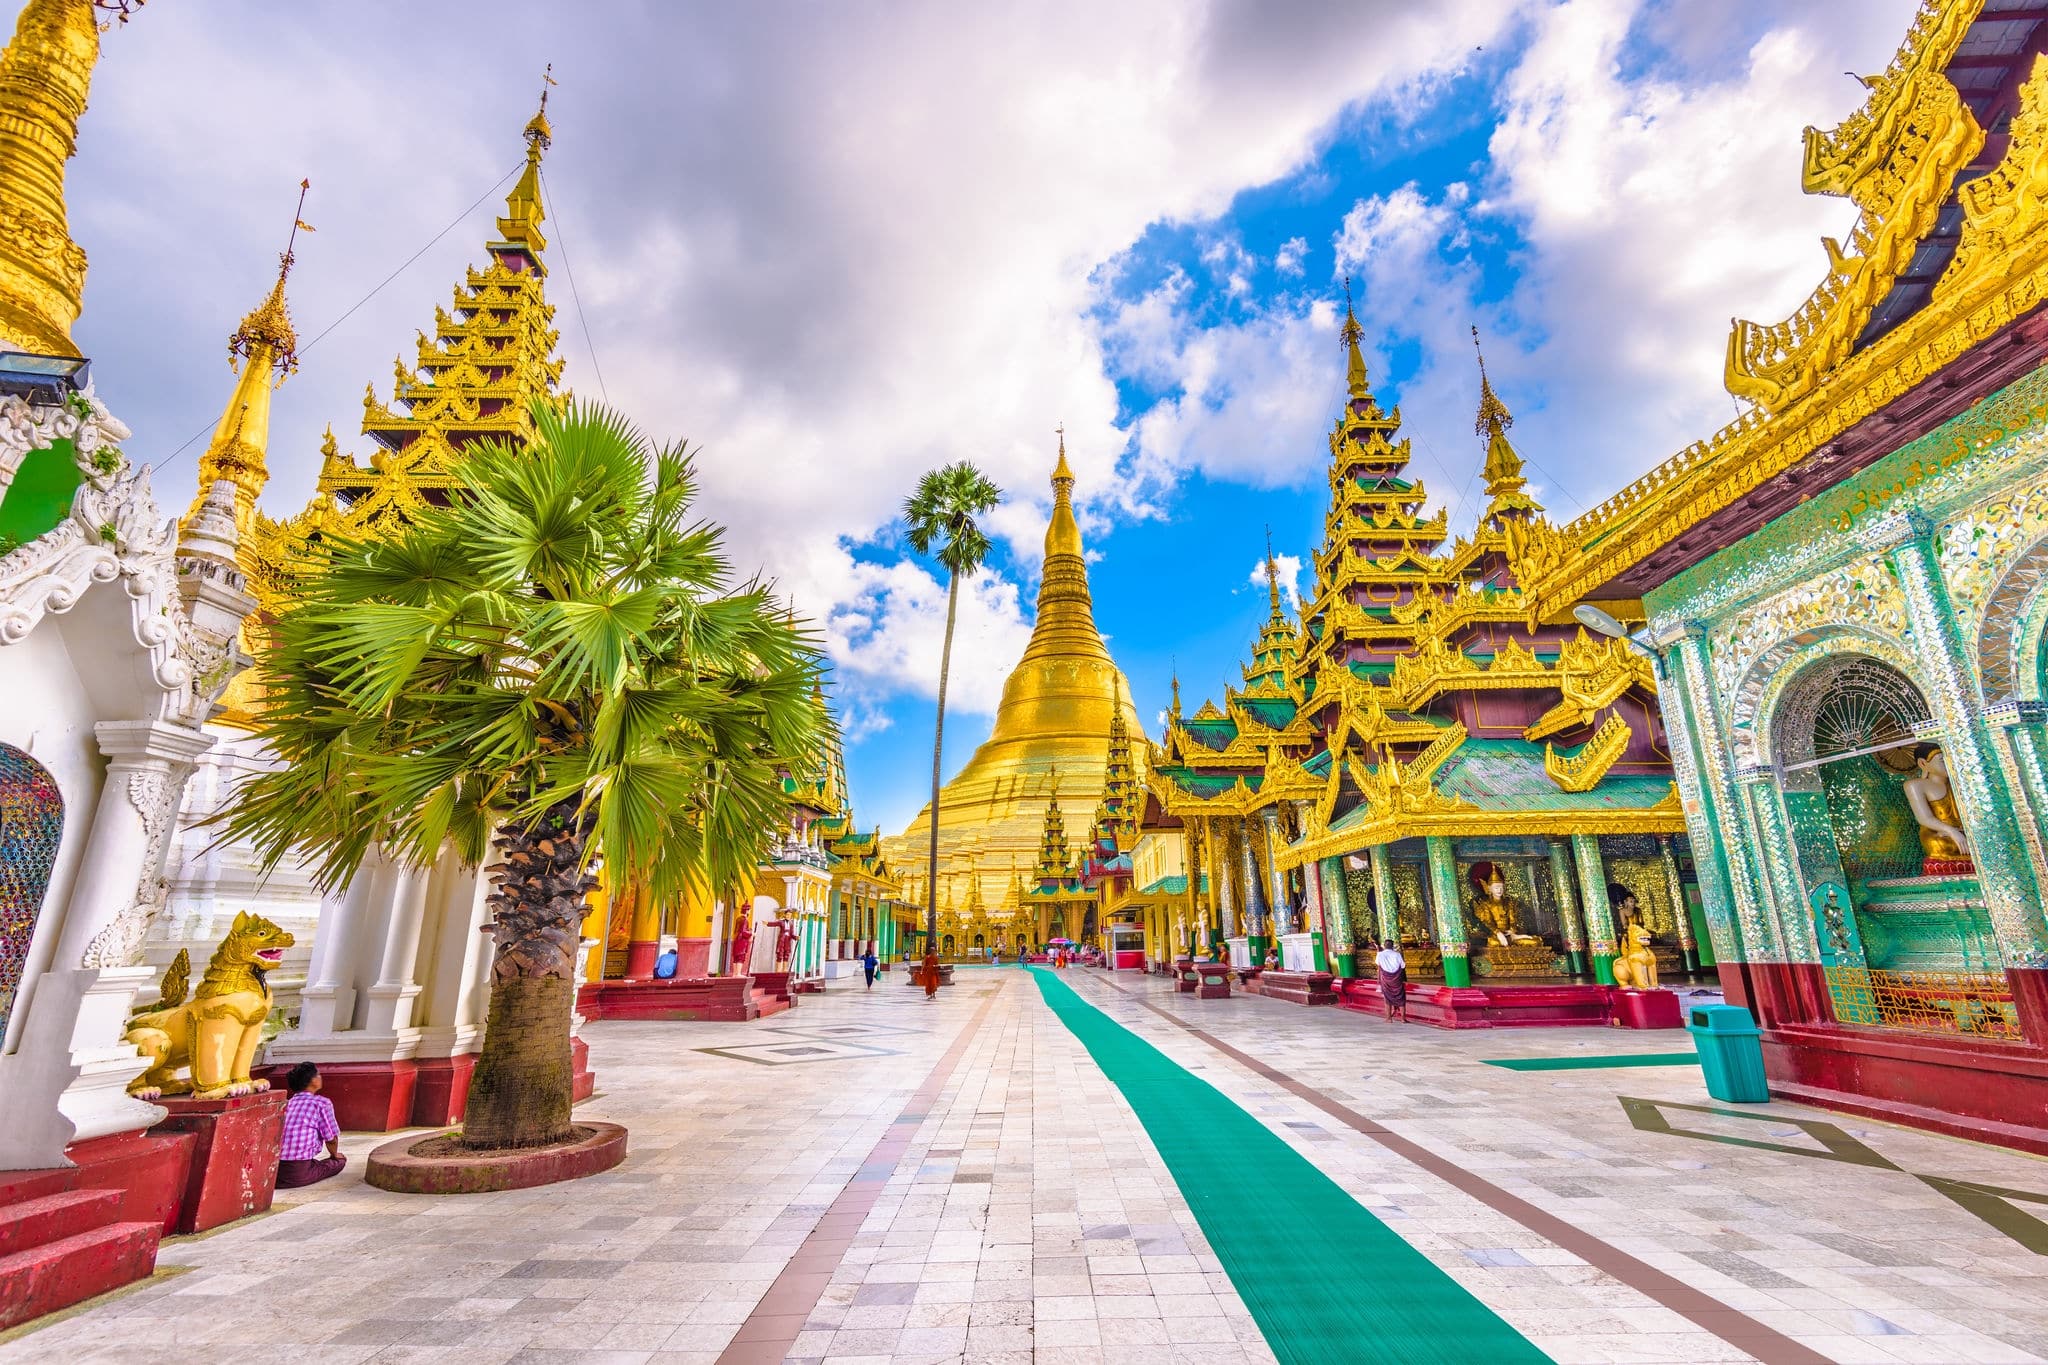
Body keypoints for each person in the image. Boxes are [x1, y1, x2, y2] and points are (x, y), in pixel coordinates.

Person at [276, 1062, 345, 1189]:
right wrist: (335, 1155)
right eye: (318, 1074)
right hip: (298, 1172)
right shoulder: (321, 1103)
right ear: (312, 1081)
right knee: (339, 1162)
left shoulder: (287, 1104)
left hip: (275, 1171)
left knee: (316, 1163)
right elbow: (331, 1139)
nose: (320, 1077)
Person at [1374, 939, 1408, 1023]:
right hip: (1397, 979)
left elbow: (1378, 963)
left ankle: (1389, 1018)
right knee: (1401, 997)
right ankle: (1403, 1018)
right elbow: (1403, 966)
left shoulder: (1380, 954)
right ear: (1392, 946)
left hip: (1385, 979)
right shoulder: (1397, 954)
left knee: (1387, 998)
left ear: (1384, 946)